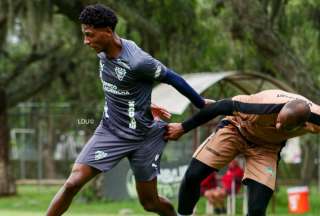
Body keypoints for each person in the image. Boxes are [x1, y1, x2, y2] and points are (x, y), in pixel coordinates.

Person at [46, 4, 209, 216]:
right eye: (84, 35)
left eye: (89, 35)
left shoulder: (139, 61)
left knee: (150, 204)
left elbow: (173, 78)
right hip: (110, 131)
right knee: (72, 183)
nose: (86, 41)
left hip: (144, 137)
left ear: (107, 31)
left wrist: (200, 103)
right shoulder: (102, 50)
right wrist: (144, 103)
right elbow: (122, 88)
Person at [165, 89, 320, 216]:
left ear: (305, 125)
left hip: (267, 148)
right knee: (193, 175)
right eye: (277, 120)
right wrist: (183, 128)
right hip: (237, 130)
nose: (278, 127)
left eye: (285, 126)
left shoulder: (315, 119)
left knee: (257, 210)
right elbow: (219, 107)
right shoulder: (260, 106)